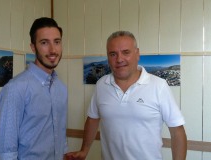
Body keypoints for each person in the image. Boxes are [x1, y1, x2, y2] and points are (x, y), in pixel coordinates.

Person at [67, 31, 187, 160]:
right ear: (108, 57)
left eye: (126, 52)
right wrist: (84, 150)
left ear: (137, 53)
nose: (119, 59)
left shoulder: (159, 86)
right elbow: (92, 119)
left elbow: (177, 132)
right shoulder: (101, 84)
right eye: (113, 54)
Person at [0, 17, 68, 160]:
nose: (53, 50)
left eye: (57, 42)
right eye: (44, 43)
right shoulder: (15, 89)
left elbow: (60, 134)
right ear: (33, 47)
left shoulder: (61, 88)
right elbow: (7, 151)